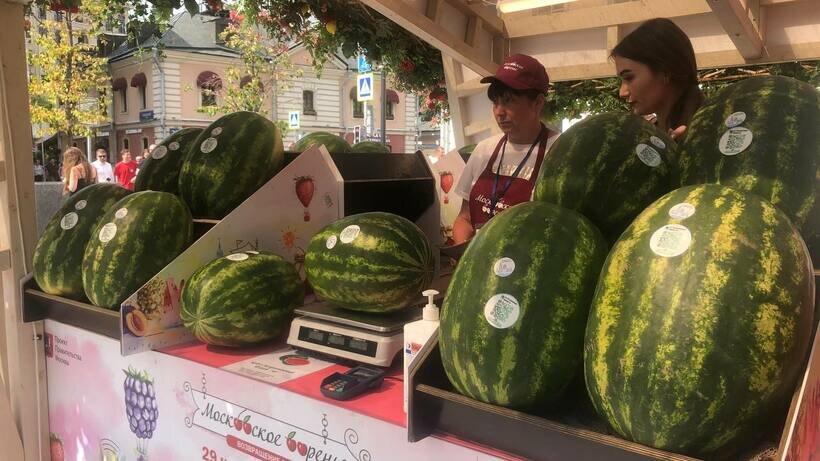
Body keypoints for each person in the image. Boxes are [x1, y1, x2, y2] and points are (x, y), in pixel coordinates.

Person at [451, 54, 559, 244]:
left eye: (508, 101)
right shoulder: (484, 149)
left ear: (538, 103)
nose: (499, 112)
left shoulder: (559, 152)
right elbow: (464, 217)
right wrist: (461, 252)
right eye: (495, 102)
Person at [611, 18, 705, 140]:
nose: (622, 92)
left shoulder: (710, 131)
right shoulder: (650, 136)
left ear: (665, 71)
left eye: (629, 78)